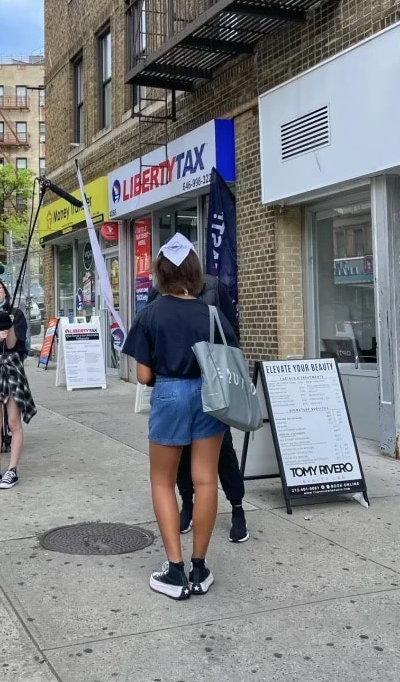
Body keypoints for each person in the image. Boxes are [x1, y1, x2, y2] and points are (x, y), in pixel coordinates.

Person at [122, 234, 239, 600]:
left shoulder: (150, 313)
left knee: (163, 481)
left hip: (170, 392)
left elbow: (143, 376)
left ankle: (174, 571)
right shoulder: (211, 312)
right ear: (193, 271)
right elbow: (228, 356)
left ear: (160, 272)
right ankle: (200, 568)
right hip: (209, 394)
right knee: (206, 481)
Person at [147, 274, 249, 543]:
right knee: (179, 456)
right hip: (176, 385)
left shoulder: (213, 288)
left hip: (211, 387)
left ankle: (237, 507)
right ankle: (188, 505)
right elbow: (151, 340)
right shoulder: (158, 293)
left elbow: (231, 334)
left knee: (223, 453)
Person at [0, 277, 36, 490]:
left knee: (13, 422)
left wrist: (8, 326)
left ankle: (12, 470)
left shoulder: (16, 313)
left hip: (11, 366)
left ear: (5, 290)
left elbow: (13, 344)